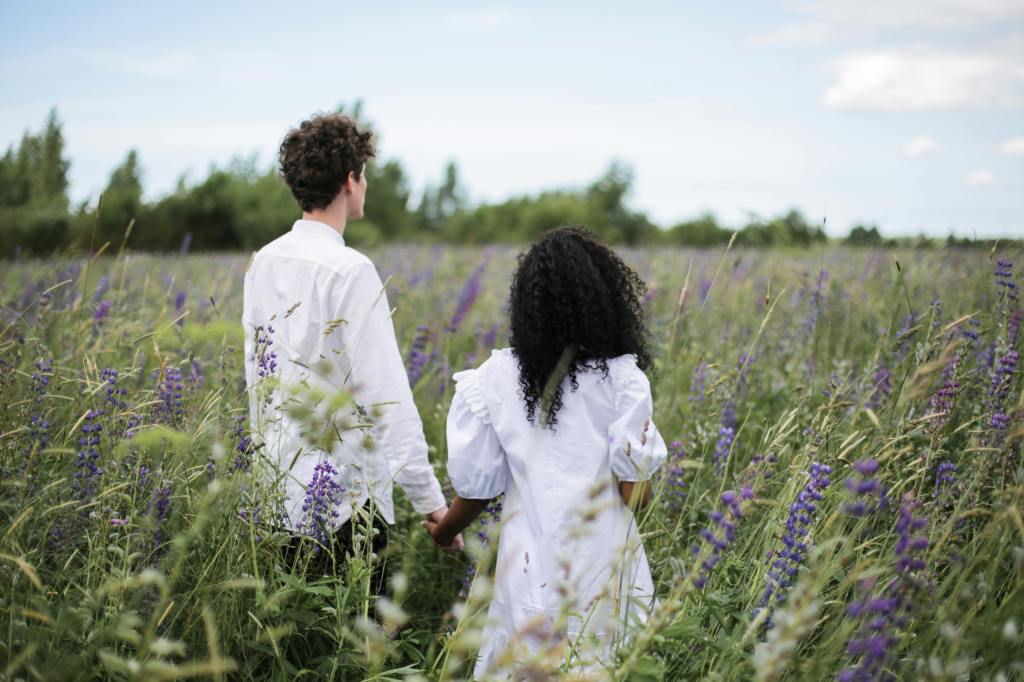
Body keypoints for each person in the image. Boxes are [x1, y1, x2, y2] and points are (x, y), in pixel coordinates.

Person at [424, 227, 667, 678]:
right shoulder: (623, 381)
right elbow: (635, 497)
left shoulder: (497, 376)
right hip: (604, 561)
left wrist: (444, 531)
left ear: (528, 306)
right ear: (602, 300)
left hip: (528, 561)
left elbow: (478, 490)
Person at [242, 112, 460, 591]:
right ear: (349, 180)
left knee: (294, 630)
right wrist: (432, 504)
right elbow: (387, 397)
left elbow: (258, 379)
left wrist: (264, 479)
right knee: (356, 633)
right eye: (364, 174)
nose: (365, 185)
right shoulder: (350, 270)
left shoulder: (263, 262)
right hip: (343, 504)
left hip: (278, 496)